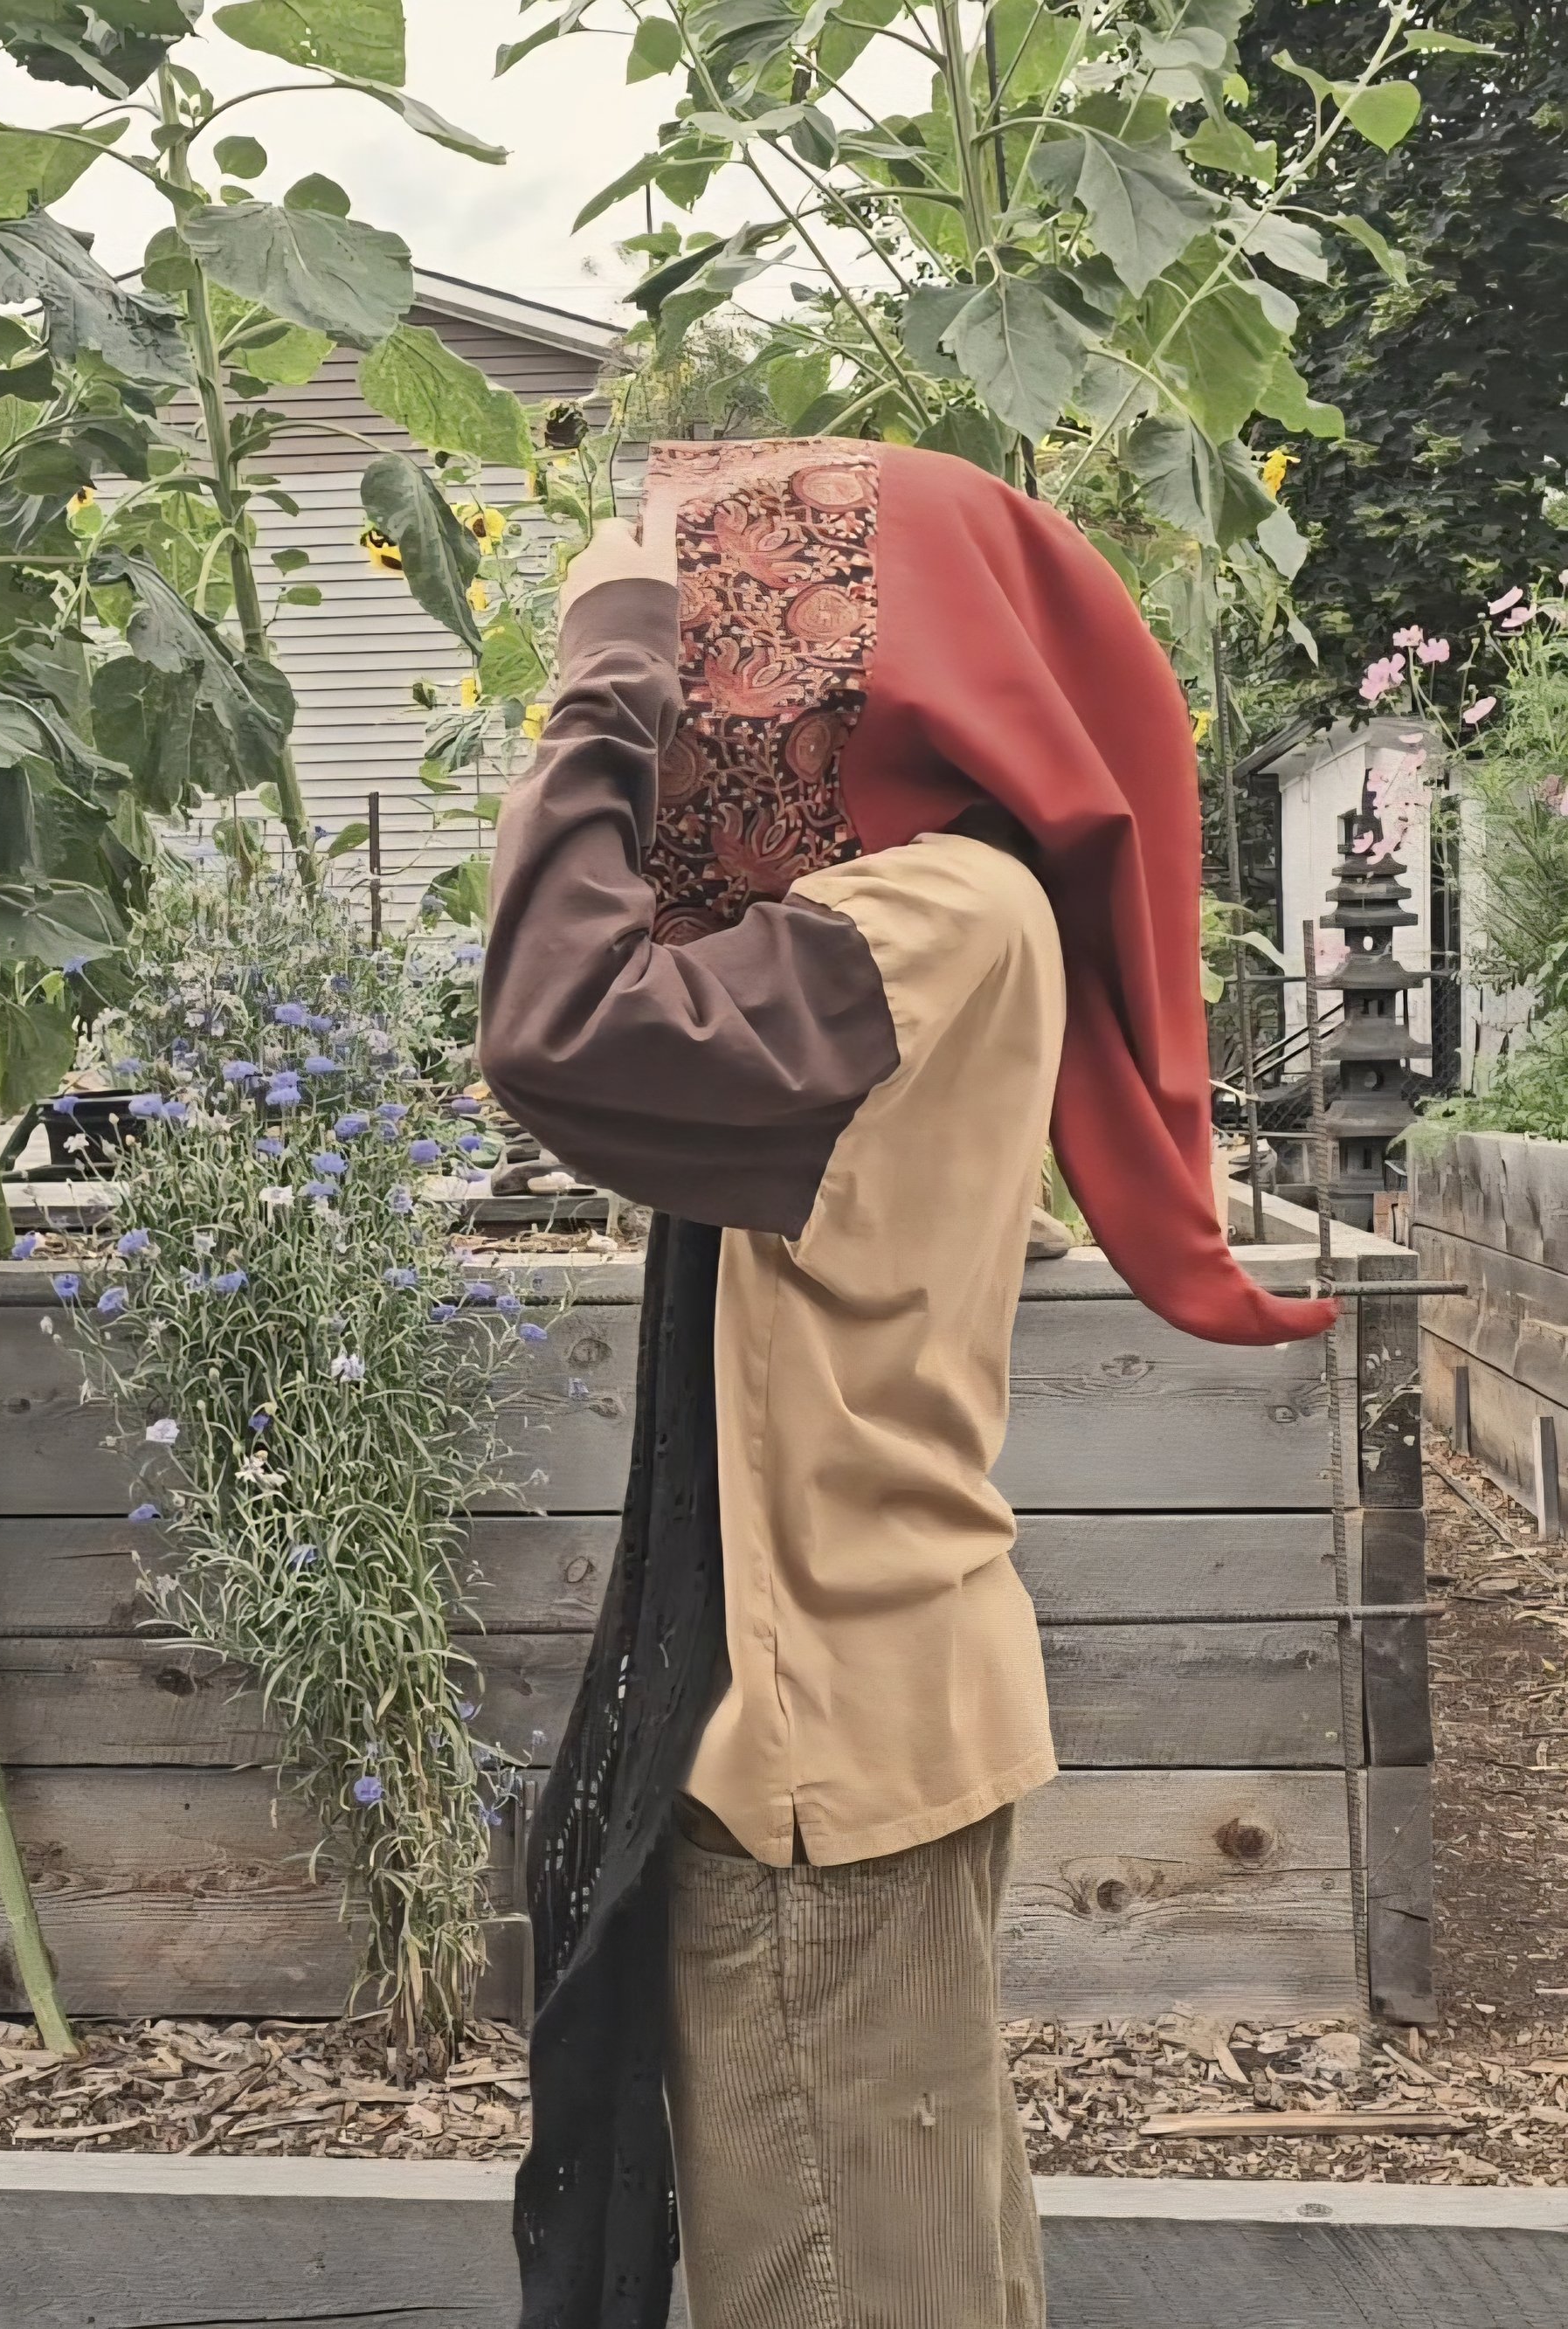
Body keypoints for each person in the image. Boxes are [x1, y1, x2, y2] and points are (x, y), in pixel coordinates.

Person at [479, 439, 1337, 2329]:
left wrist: (607, 666)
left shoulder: (934, 917)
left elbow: (554, 1024)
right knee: (920, 2264)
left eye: (737, 655)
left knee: (857, 2285)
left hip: (828, 1760)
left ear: (877, 673)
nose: (713, 710)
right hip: (847, 1715)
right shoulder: (920, 908)